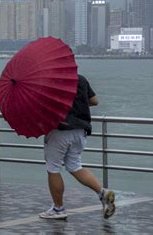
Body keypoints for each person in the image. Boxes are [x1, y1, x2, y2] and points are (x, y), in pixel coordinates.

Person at [39, 74, 115, 220]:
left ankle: (58, 209)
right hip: (80, 131)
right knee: (75, 165)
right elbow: (94, 101)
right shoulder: (80, 79)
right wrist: (76, 104)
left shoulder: (49, 81)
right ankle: (102, 193)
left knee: (53, 168)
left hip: (59, 130)